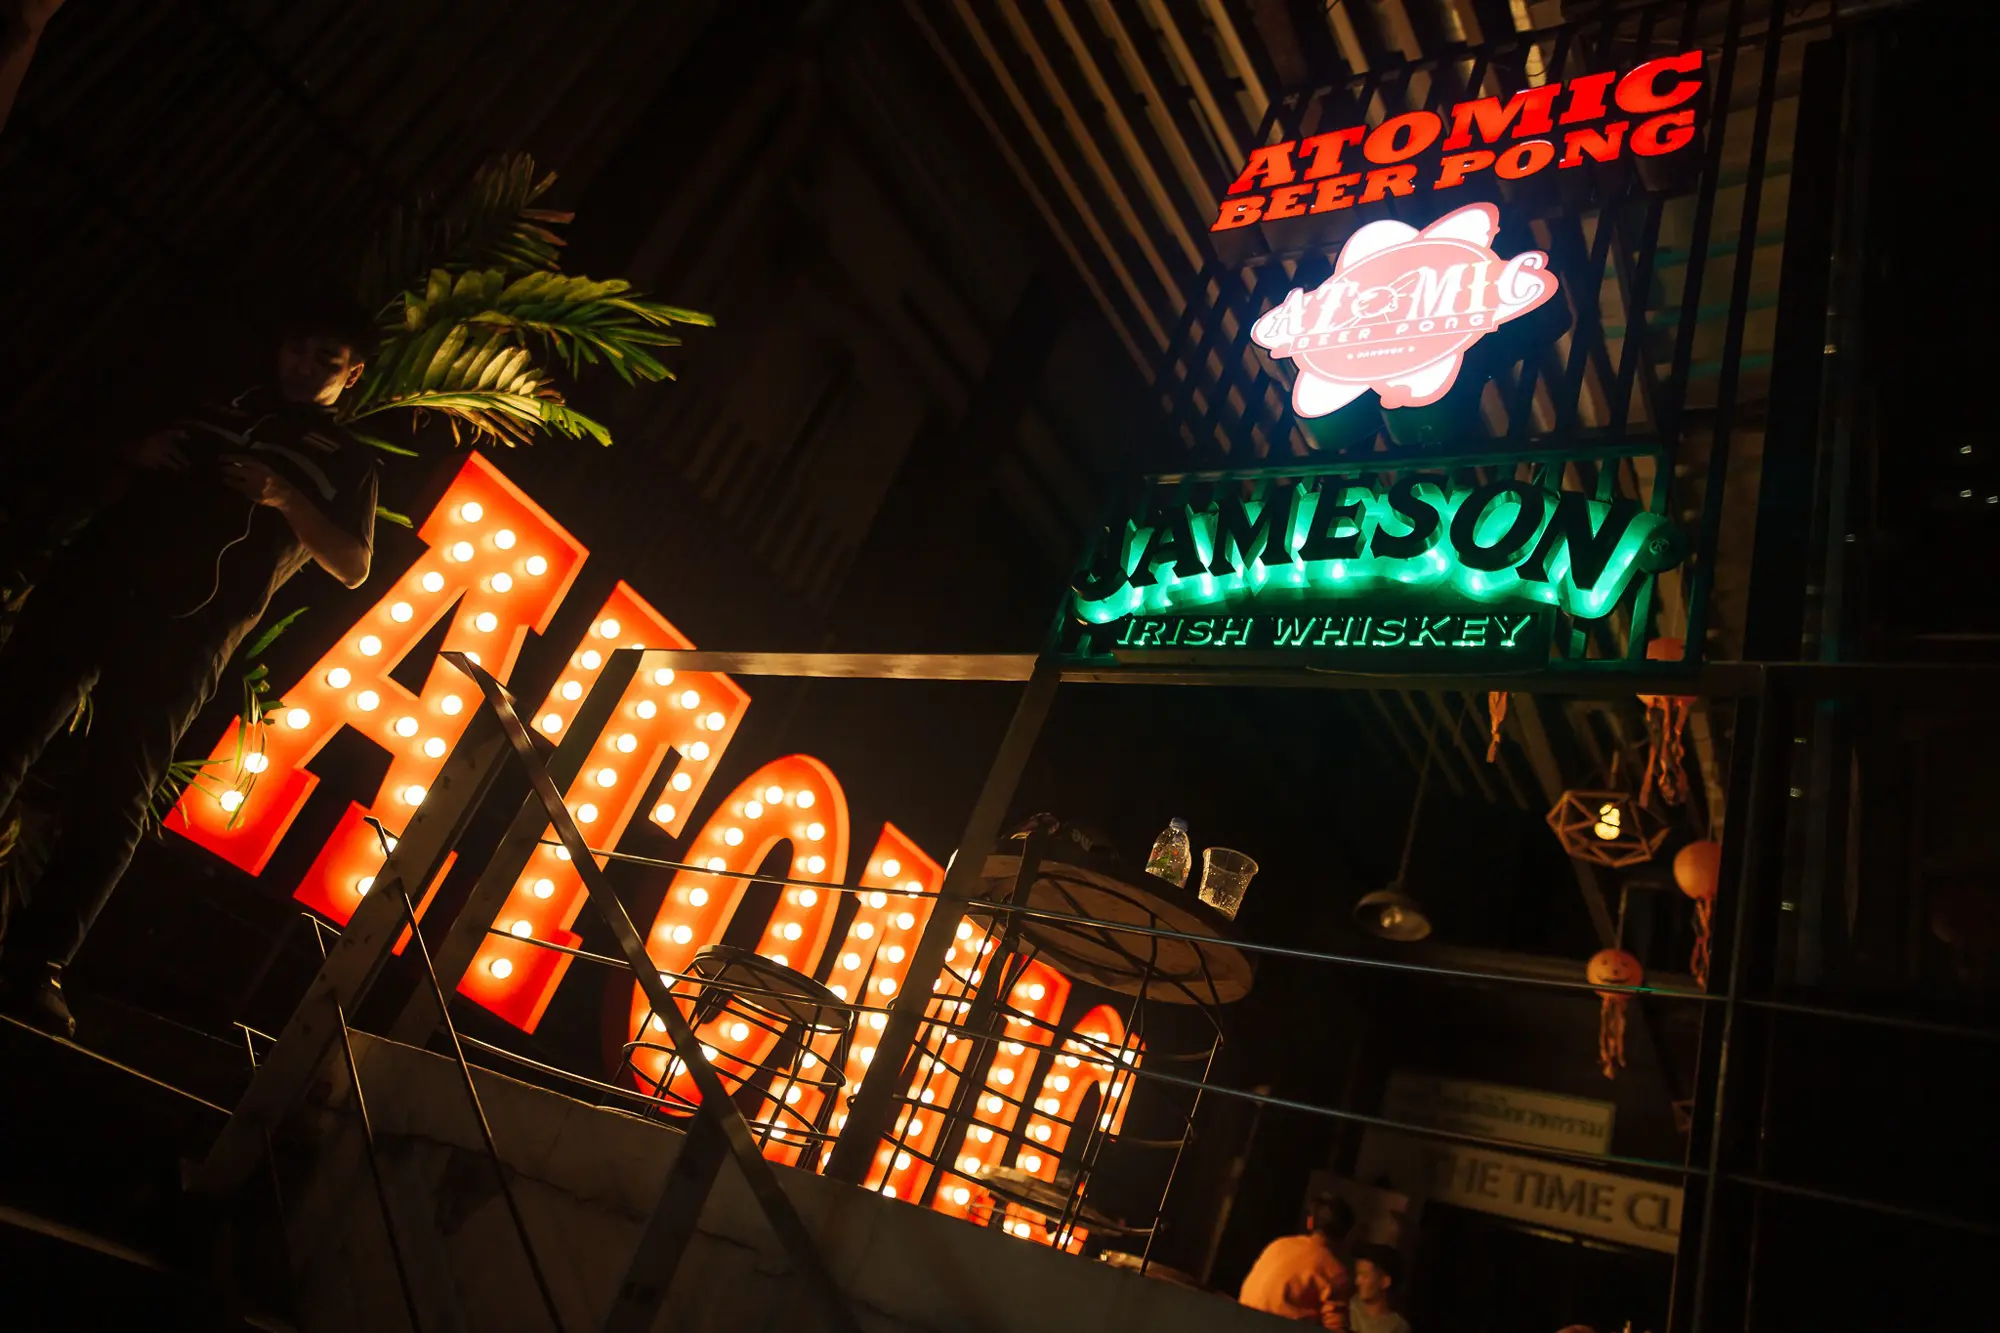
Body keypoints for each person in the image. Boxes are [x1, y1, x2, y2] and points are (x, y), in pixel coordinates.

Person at [0, 300, 379, 1037]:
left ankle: (34, 965)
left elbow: (353, 563)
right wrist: (142, 451)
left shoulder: (347, 457)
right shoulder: (220, 400)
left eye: (325, 361)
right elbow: (98, 449)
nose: (303, 368)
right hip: (93, 585)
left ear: (352, 374)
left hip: (187, 631)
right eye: (296, 350)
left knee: (117, 790)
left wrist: (282, 494)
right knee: (9, 727)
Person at [1239, 1191, 1356, 1330]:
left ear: (1310, 1222)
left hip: (1239, 1323)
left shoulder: (1278, 1245)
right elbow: (1335, 1328)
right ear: (1346, 1235)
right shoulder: (1334, 1271)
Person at [1348, 1243, 1411, 1333]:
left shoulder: (1397, 1327)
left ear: (1385, 1282)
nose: (1357, 1281)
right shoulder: (1345, 1310)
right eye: (1358, 1274)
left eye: (1364, 1276)